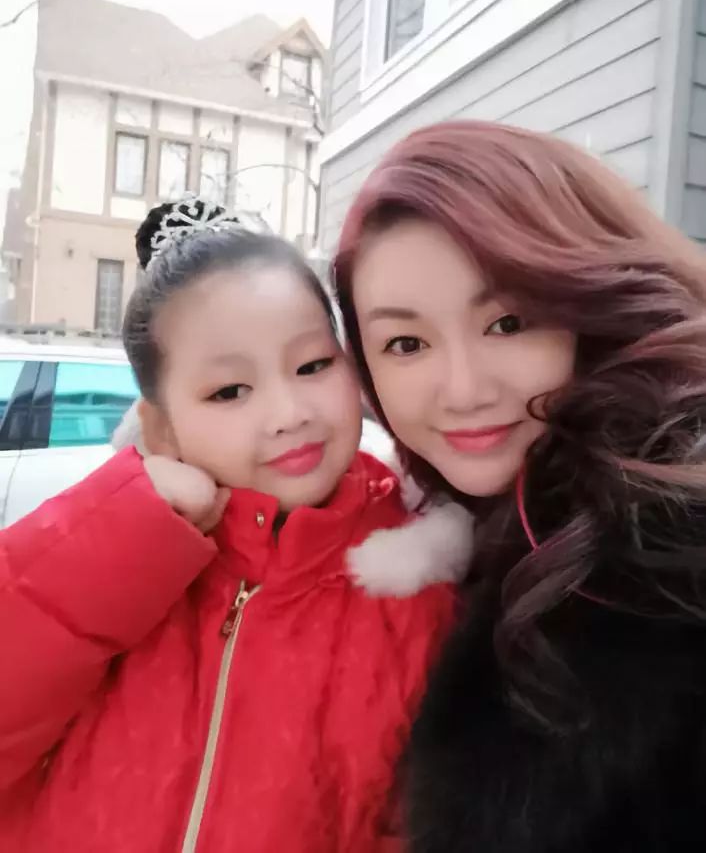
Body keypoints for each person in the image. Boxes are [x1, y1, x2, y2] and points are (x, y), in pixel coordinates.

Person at [0, 197, 472, 852]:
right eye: (229, 391)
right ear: (161, 427)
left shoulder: (416, 579)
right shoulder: (112, 570)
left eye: (313, 365)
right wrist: (120, 530)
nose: (288, 413)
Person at [333, 120, 706, 851]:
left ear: (593, 305)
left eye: (509, 322)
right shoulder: (454, 526)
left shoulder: (670, 555)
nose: (464, 390)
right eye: (406, 343)